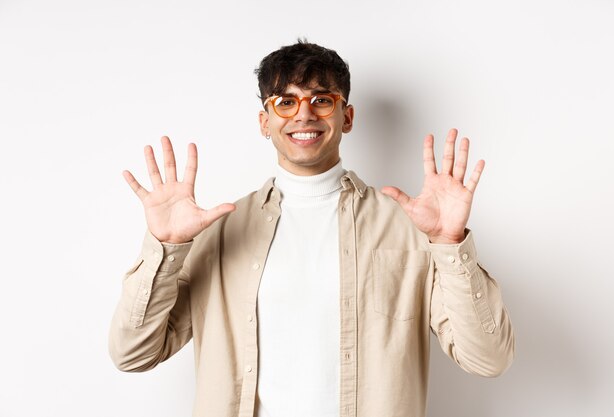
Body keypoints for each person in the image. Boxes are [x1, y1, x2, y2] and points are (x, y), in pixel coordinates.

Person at [109, 40, 515, 417]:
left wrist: (448, 244)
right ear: (265, 122)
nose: (304, 113)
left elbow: (488, 358)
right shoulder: (218, 233)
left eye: (322, 100)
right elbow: (133, 354)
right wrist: (165, 247)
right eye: (286, 102)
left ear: (347, 116)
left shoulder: (407, 229)